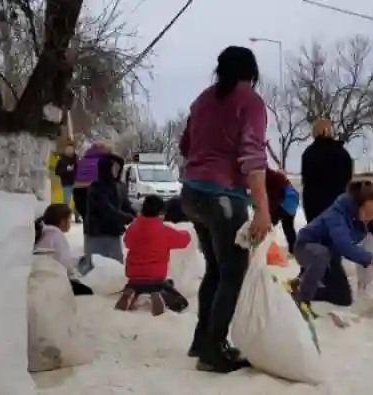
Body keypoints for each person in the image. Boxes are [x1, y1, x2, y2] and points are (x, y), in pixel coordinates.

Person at [178, 45, 270, 373]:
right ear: (252, 72)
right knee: (232, 273)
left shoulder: (203, 99)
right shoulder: (250, 102)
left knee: (216, 270)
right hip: (222, 198)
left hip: (192, 194)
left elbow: (185, 145)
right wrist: (262, 208)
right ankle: (214, 349)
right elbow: (252, 158)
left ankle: (202, 340)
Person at [291, 181, 373, 312]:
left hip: (330, 258)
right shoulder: (336, 215)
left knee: (343, 298)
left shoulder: (366, 219)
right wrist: (369, 259)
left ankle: (301, 286)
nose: (371, 217)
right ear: (356, 207)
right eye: (367, 212)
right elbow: (343, 245)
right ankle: (302, 298)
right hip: (305, 248)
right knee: (321, 254)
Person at [116, 196, 191, 315]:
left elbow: (127, 241)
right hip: (155, 276)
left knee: (138, 283)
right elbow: (184, 240)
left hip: (133, 274)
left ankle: (131, 290)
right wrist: (186, 232)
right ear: (160, 213)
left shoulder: (133, 228)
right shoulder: (164, 230)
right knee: (168, 290)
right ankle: (157, 295)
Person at [84, 153, 135, 263]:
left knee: (115, 266)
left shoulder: (119, 186)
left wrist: (135, 214)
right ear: (106, 168)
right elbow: (105, 209)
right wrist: (127, 217)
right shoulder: (97, 187)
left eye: (118, 167)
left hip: (113, 232)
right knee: (96, 266)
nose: (117, 170)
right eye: (114, 167)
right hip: (97, 233)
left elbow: (125, 205)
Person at [300, 118, 353, 222]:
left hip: (314, 206)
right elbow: (348, 178)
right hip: (338, 204)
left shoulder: (309, 153)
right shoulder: (342, 153)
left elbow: (306, 179)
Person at [34, 203, 92, 295]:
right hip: (56, 279)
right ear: (62, 221)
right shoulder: (57, 236)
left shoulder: (43, 233)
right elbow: (65, 264)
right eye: (69, 219)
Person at [74, 141, 110, 222]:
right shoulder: (103, 160)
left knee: (86, 216)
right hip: (95, 189)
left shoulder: (82, 160)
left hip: (78, 189)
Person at [266, 168, 299, 253]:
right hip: (292, 208)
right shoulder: (287, 182)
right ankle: (294, 250)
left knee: (268, 226)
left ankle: (266, 248)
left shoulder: (275, 181)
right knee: (289, 228)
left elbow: (274, 198)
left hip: (283, 207)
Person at [55, 145, 81, 223]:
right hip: (66, 183)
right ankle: (66, 217)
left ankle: (77, 217)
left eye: (71, 149)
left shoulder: (77, 159)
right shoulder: (61, 160)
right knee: (66, 201)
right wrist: (66, 170)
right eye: (68, 149)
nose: (69, 151)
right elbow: (57, 171)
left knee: (77, 201)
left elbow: (80, 170)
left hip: (76, 183)